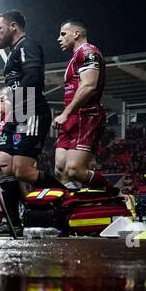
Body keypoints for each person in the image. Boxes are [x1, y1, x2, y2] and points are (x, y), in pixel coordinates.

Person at [0, 9, 63, 234]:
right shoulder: (13, 53)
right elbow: (15, 85)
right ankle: (13, 225)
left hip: (32, 112)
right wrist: (5, 103)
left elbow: (33, 77)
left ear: (13, 27)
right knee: (4, 167)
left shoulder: (27, 46)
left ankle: (68, 202)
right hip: (17, 114)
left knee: (22, 171)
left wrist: (13, 101)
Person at [53, 19, 111, 190]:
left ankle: (114, 194)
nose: (59, 38)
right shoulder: (74, 57)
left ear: (76, 34)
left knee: (75, 170)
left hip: (87, 116)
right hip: (72, 118)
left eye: (63, 34)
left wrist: (65, 113)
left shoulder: (88, 51)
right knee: (60, 170)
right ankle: (71, 211)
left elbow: (89, 86)